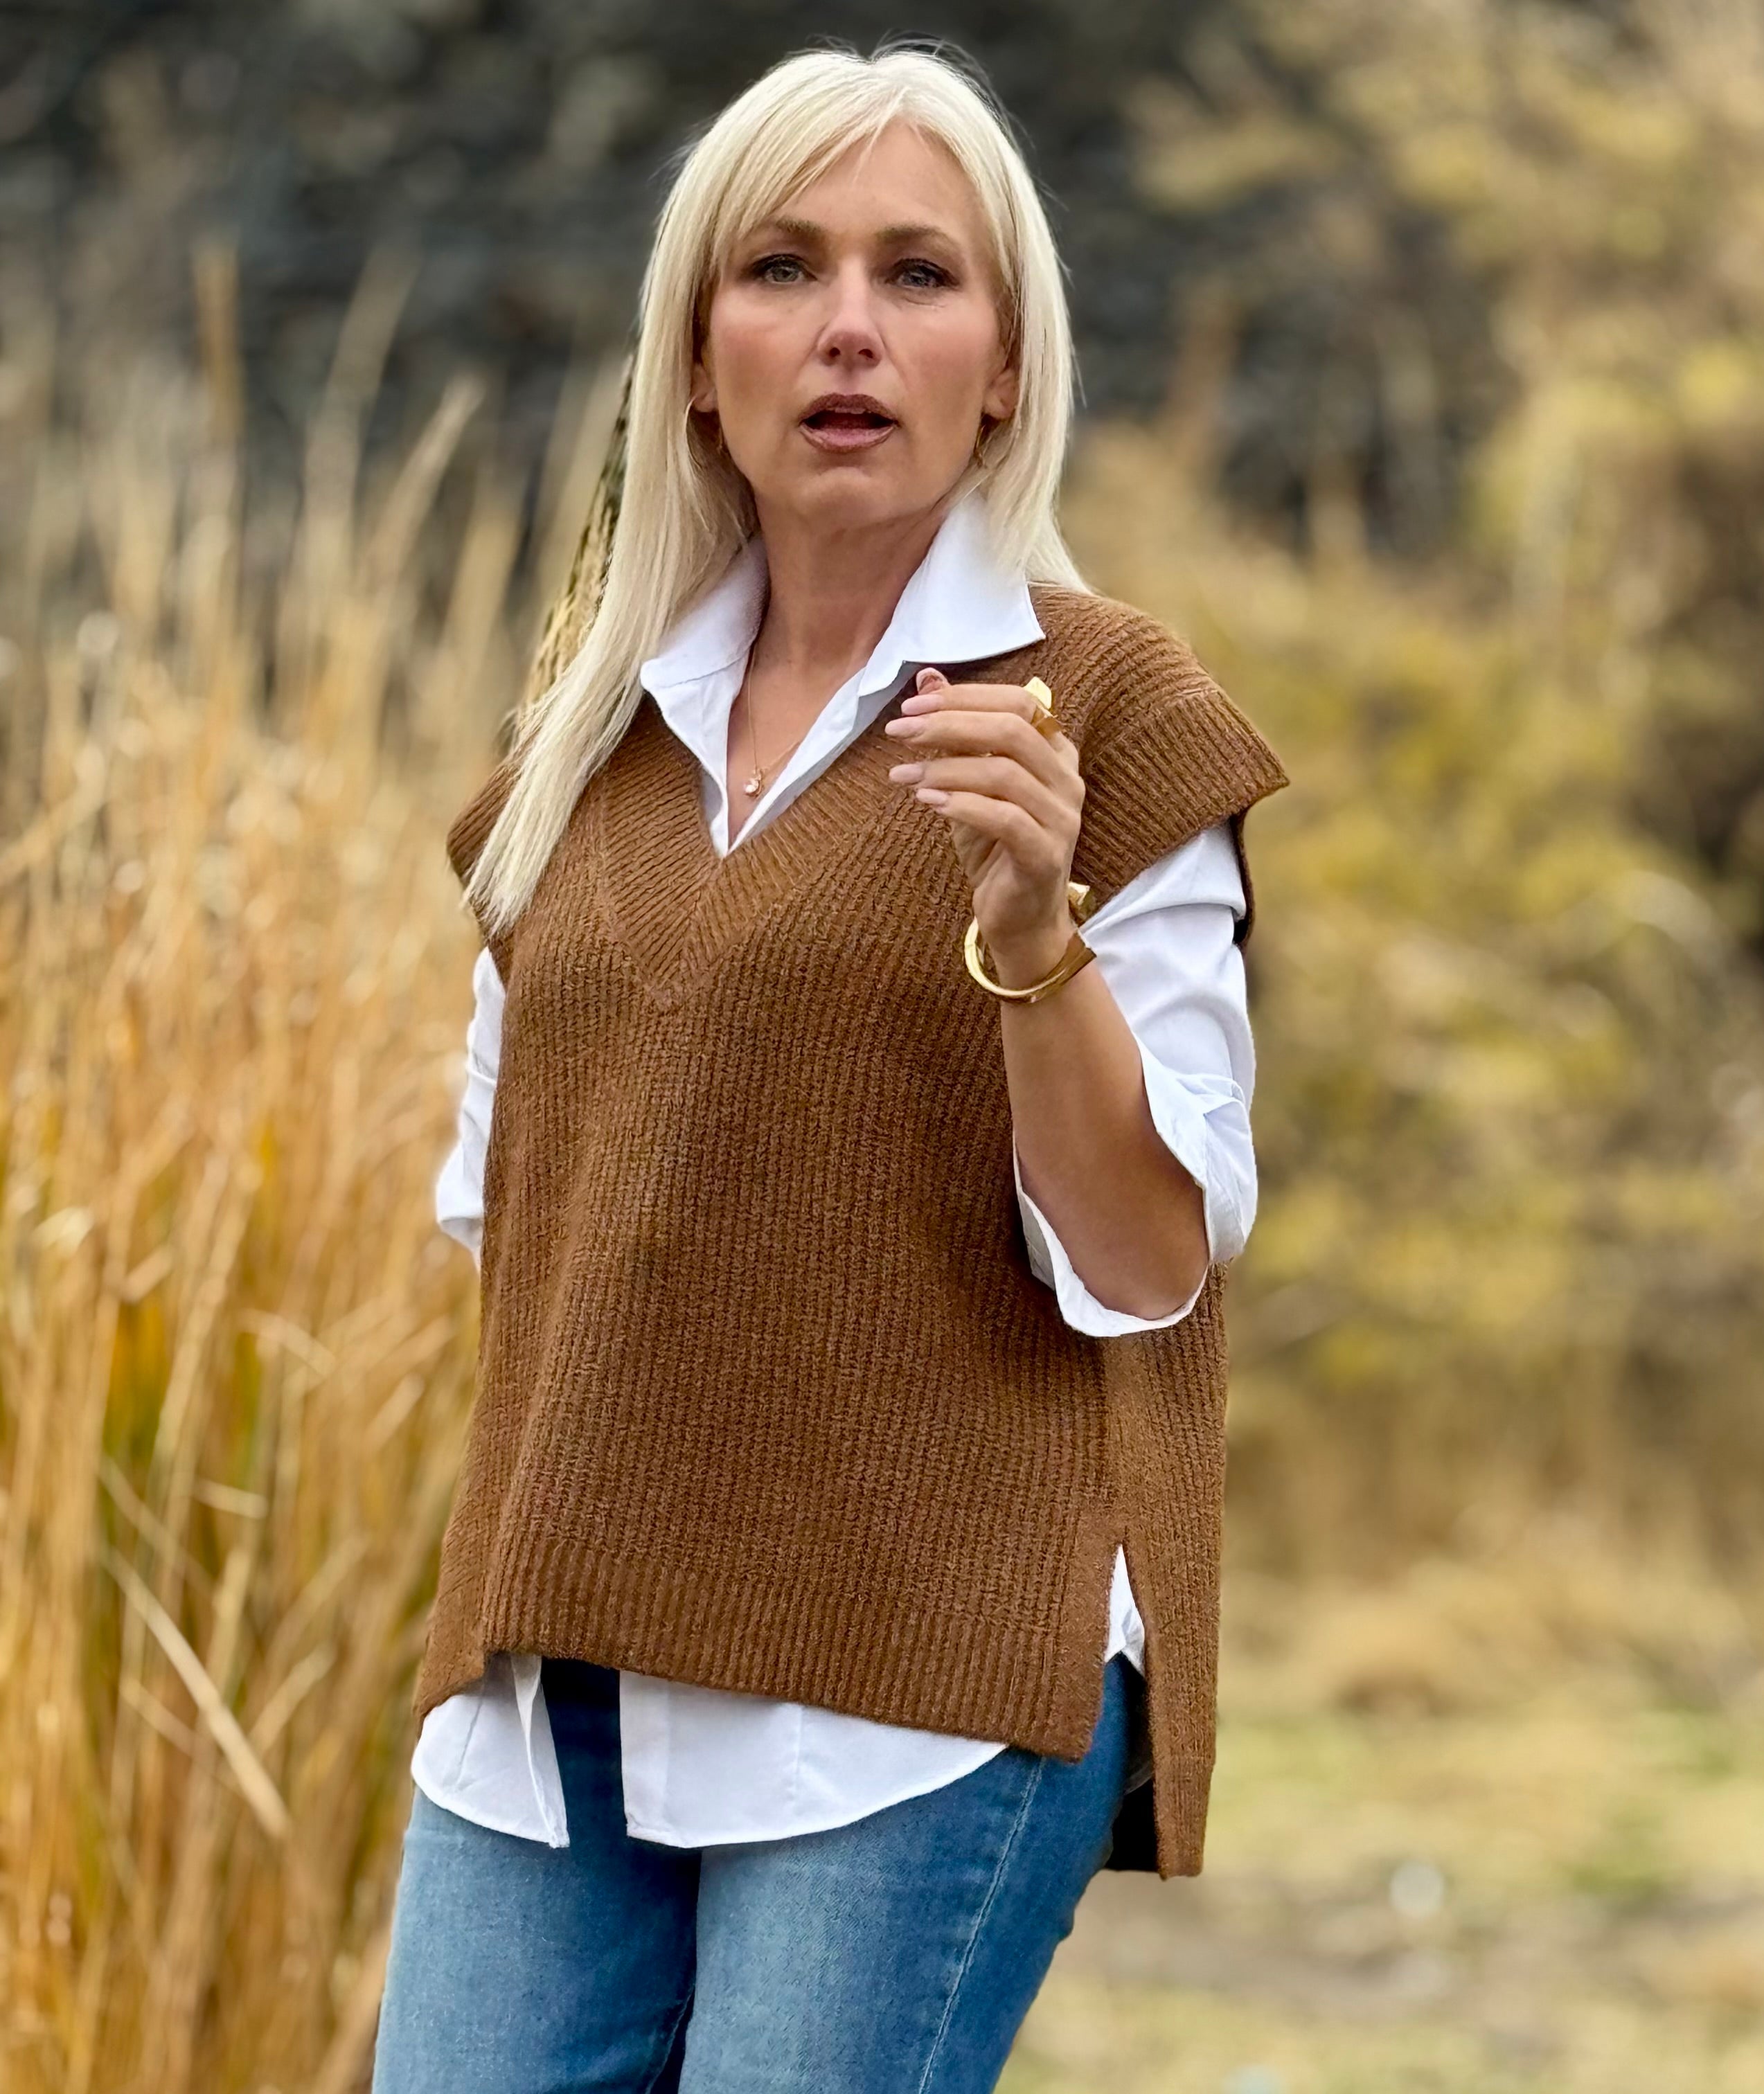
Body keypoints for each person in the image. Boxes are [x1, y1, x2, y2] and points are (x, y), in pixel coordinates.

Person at [371, 39, 1288, 2094]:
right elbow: (503, 1210)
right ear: (700, 361)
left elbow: (1152, 1266)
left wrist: (1034, 942)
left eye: (917, 273)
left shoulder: (1106, 708)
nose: (848, 327)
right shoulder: (584, 742)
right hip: (551, 1682)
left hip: (915, 1694)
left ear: (1008, 365)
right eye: (781, 269)